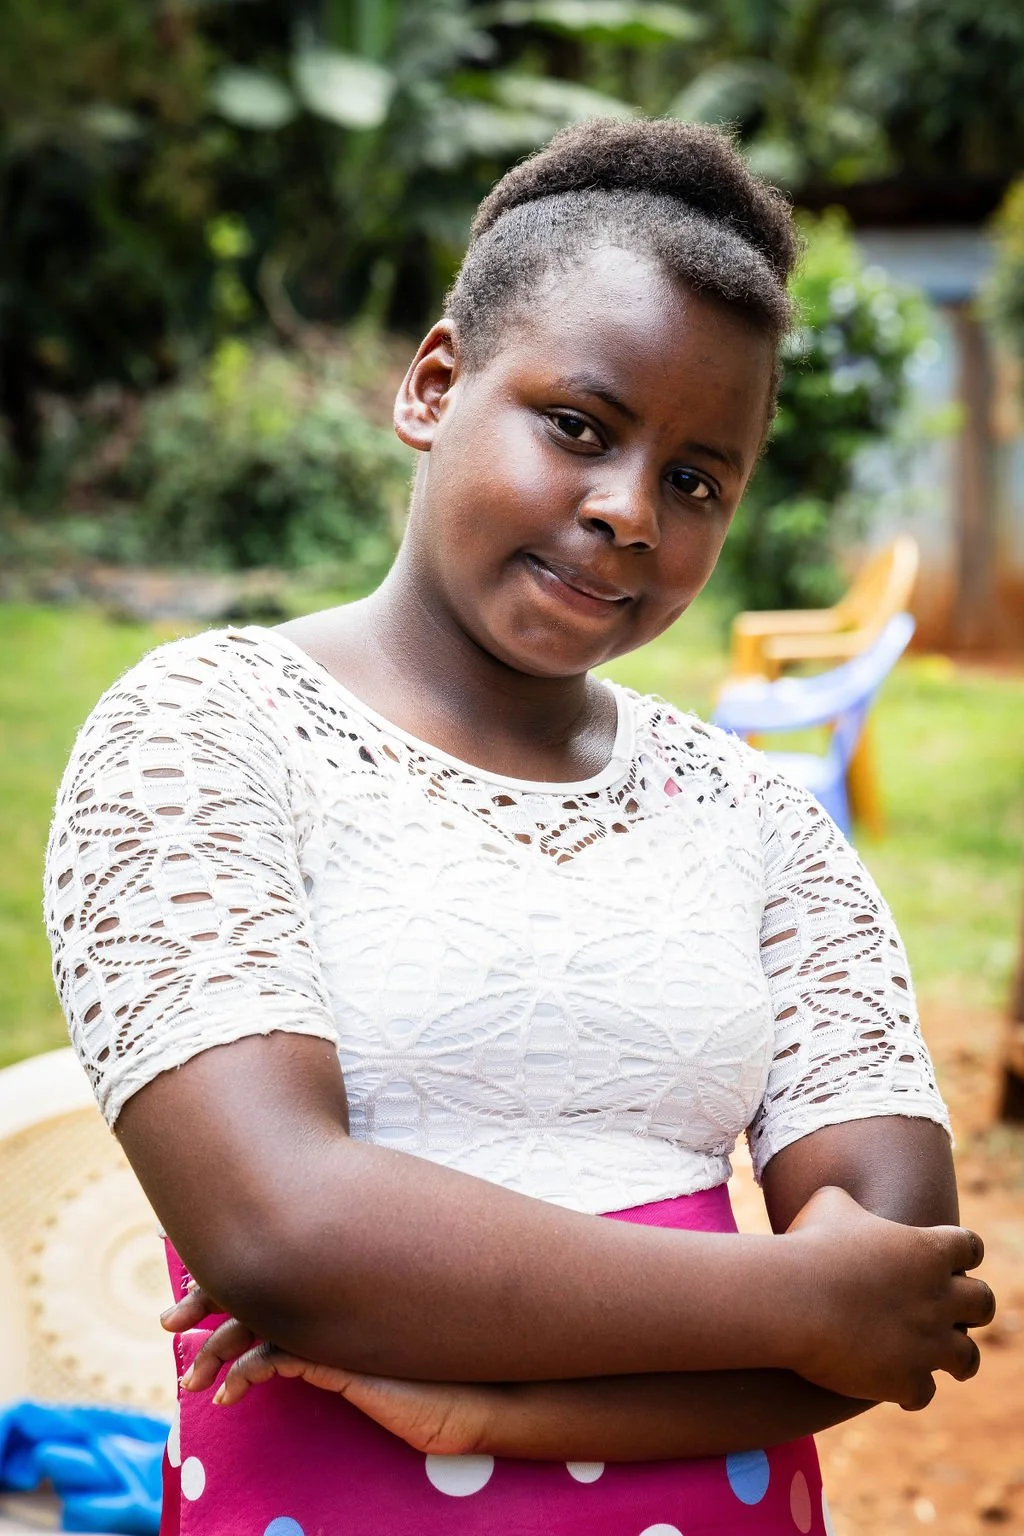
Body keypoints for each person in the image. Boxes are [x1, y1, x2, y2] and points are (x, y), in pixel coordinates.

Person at [45, 119, 994, 1536]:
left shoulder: (751, 821)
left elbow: (895, 1301)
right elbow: (285, 1235)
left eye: (694, 480)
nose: (626, 514)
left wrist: (494, 1411)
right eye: (580, 427)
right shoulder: (204, 735)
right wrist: (794, 1296)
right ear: (436, 385)